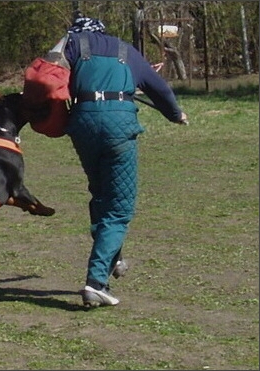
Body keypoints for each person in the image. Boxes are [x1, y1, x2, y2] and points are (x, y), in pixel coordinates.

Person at [55, 12, 188, 308]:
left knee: (101, 195)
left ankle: (113, 257)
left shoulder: (71, 46)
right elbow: (160, 88)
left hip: (82, 124)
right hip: (119, 125)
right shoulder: (124, 50)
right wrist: (175, 114)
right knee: (119, 208)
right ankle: (96, 282)